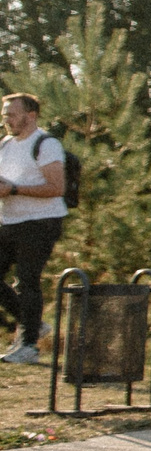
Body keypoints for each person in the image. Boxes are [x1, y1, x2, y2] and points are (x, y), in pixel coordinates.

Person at [0, 94, 67, 363]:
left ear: (31, 116)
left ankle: (29, 347)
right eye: (4, 115)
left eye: (11, 115)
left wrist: (14, 189)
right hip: (9, 221)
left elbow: (57, 188)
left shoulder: (46, 144)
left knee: (27, 281)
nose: (6, 120)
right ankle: (34, 325)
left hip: (40, 222)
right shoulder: (5, 144)